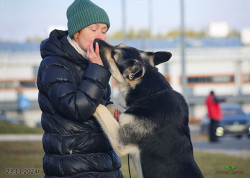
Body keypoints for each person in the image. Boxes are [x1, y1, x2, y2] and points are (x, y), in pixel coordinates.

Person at [37, 0, 123, 177]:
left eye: (104, 31)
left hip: (105, 163)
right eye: (94, 29)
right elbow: (77, 109)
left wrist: (113, 111)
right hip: (73, 166)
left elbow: (98, 102)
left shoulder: (93, 62)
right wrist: (98, 69)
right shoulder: (53, 64)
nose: (100, 36)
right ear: (76, 33)